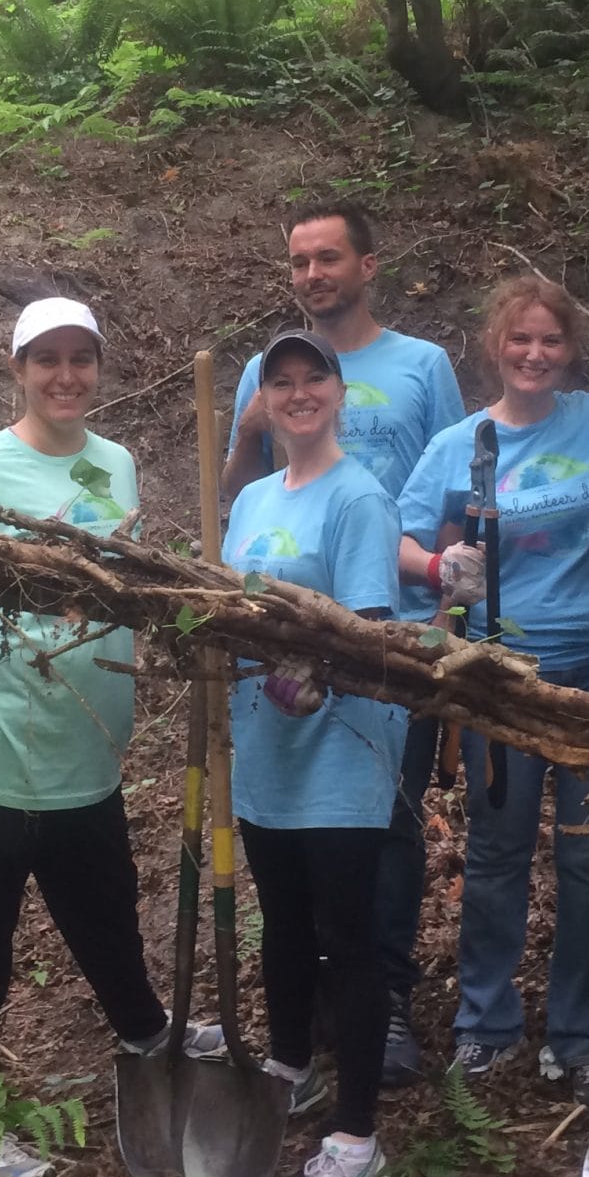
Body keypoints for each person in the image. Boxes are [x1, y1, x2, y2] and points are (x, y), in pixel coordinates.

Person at [0, 298, 183, 1177]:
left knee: (106, 912)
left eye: (81, 358)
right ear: (18, 369)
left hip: (85, 750)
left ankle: (148, 1040)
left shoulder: (118, 464)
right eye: (47, 360)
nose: (66, 376)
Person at [224, 200, 463, 1085]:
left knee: (384, 831)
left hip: (390, 638)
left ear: (368, 264)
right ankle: (312, 1028)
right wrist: (245, 429)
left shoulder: (421, 366)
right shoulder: (263, 389)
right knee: (300, 879)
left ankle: (382, 1002)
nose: (313, 274)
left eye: (329, 257)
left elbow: (446, 487)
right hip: (280, 675)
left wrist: (444, 605)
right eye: (299, 261)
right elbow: (240, 507)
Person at [398, 275, 589, 1112]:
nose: (535, 354)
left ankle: (584, 1036)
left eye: (551, 340)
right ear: (495, 346)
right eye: (520, 339)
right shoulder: (460, 444)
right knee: (498, 850)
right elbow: (399, 538)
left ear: (571, 349)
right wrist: (438, 567)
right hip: (502, 668)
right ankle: (486, 1024)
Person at [200, 327, 403, 1177]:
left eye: (312, 378)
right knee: (282, 923)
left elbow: (367, 631)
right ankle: (289, 1066)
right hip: (264, 749)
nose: (297, 393)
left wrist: (318, 670)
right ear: (264, 402)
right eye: (279, 382)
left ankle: (357, 1140)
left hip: (341, 753)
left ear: (338, 392)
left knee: (347, 939)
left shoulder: (360, 497)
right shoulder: (250, 499)